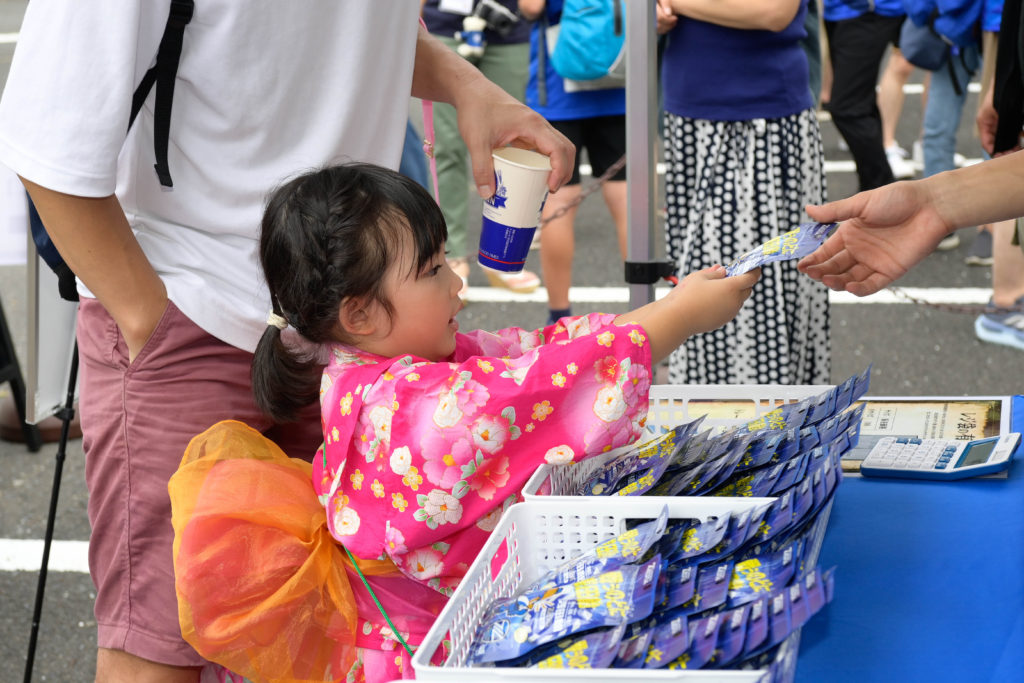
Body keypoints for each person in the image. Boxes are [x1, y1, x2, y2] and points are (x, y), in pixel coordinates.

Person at [0, 3, 574, 682]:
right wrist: (146, 319)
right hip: (191, 307)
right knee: (163, 648)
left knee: (339, 632)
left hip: (349, 330)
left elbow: (355, 35)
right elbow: (49, 140)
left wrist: (470, 87)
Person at [170, 162, 760, 682]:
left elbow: (535, 356)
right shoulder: (399, 405)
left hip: (449, 621)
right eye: (432, 270)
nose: (457, 283)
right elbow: (525, 391)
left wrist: (663, 312)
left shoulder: (391, 366)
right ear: (360, 314)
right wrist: (676, 319)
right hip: (426, 648)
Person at [657, 0, 831, 385]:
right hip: (692, 111)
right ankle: (709, 401)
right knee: (704, 279)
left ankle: (766, 409)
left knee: (759, 282)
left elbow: (773, 11)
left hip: (761, 117)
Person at [517, 0, 633, 325]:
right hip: (620, 82)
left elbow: (531, 7)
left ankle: (559, 317)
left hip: (557, 91)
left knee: (559, 200)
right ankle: (641, 309)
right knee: (626, 201)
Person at [422, 0, 542, 297]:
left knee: (512, 149)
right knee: (446, 149)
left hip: (508, 26)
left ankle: (502, 255)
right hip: (444, 25)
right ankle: (451, 256)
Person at [823, 0, 907, 191]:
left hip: (867, 10)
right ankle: (873, 189)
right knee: (860, 103)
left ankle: (883, 188)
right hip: (840, 10)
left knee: (848, 108)